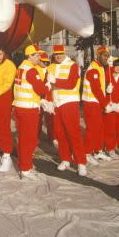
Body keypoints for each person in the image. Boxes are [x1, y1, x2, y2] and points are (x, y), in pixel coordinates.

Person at [47, 45, 87, 176]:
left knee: (73, 132)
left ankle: (81, 162)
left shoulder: (73, 65)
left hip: (69, 102)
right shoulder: (51, 66)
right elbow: (47, 84)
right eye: (56, 54)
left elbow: (71, 84)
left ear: (64, 53)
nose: (58, 56)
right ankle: (65, 159)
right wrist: (47, 99)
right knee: (59, 133)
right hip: (56, 103)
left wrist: (55, 81)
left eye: (61, 54)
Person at [13, 44, 49, 179]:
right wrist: (48, 83)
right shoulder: (31, 70)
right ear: (30, 56)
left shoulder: (20, 68)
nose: (39, 57)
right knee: (29, 140)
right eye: (37, 55)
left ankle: (25, 164)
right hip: (28, 109)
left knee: (23, 139)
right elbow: (41, 90)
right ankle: (25, 168)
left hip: (19, 107)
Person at [82, 46, 113, 164]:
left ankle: (98, 150)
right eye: (104, 55)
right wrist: (106, 104)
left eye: (108, 56)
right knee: (92, 128)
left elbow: (100, 86)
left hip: (96, 102)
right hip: (91, 102)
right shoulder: (93, 69)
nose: (106, 58)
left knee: (99, 128)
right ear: (98, 55)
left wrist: (107, 89)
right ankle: (87, 152)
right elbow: (95, 89)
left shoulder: (100, 67)